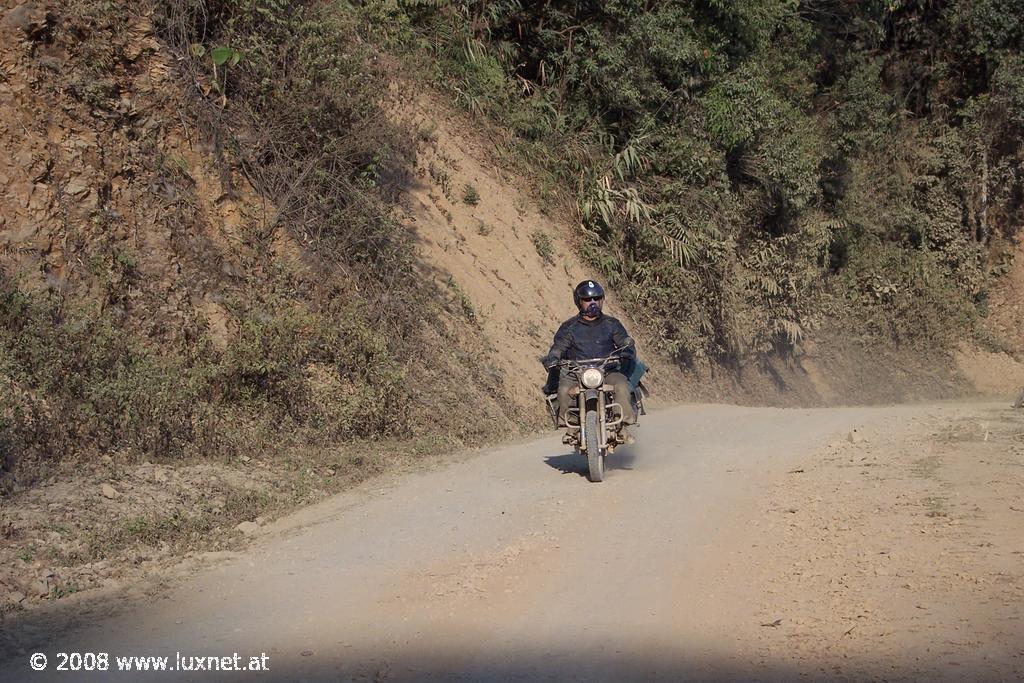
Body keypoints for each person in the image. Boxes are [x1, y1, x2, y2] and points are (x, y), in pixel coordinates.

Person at [541, 280, 637, 434]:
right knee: (564, 389)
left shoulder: (612, 324)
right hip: (577, 373)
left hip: (607, 371)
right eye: (587, 299)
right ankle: (572, 427)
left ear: (602, 300)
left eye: (596, 298)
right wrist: (554, 356)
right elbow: (558, 347)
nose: (593, 302)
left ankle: (622, 424)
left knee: (621, 385)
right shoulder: (569, 327)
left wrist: (627, 349)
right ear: (579, 302)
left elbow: (624, 342)